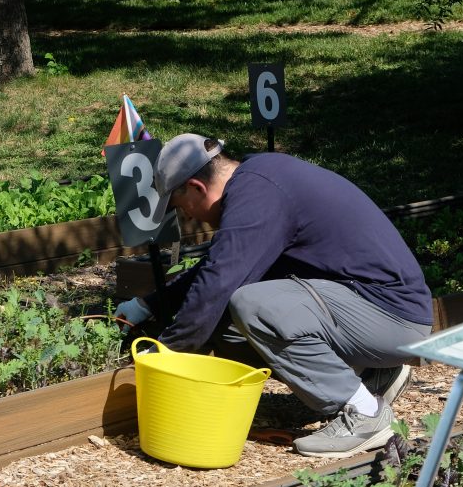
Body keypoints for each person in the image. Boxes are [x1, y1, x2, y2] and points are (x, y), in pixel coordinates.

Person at [114, 134, 432, 459]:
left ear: (196, 187)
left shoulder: (259, 195)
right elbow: (218, 268)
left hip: (392, 317)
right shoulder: (259, 178)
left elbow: (217, 284)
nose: (191, 217)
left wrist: (165, 354)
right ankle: (369, 375)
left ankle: (365, 413)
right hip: (373, 313)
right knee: (227, 326)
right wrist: (148, 304)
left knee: (252, 306)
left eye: (183, 208)